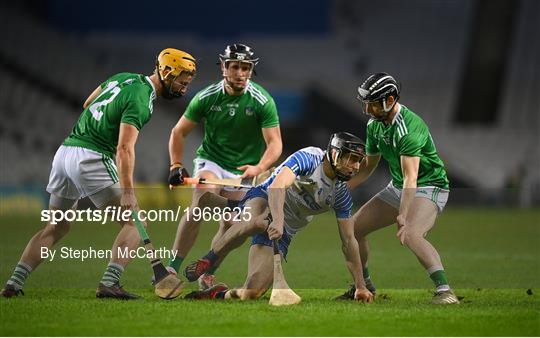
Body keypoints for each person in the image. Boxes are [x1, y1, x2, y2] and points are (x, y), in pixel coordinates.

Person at [1, 48, 197, 299]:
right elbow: (125, 148)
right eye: (182, 82)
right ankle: (109, 282)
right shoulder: (142, 99)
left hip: (65, 153)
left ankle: (13, 284)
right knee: (136, 223)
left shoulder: (123, 77)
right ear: (167, 72)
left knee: (56, 226)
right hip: (92, 157)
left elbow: (87, 103)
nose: (183, 89)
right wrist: (128, 193)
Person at [182, 132, 374, 303]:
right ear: (334, 154)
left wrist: (360, 285)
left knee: (252, 292)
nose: (355, 166)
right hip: (265, 198)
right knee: (258, 221)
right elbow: (277, 186)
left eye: (358, 160)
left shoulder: (341, 194)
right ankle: (208, 259)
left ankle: (217, 294)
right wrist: (278, 219)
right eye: (351, 158)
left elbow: (349, 241)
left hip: (284, 231)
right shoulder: (310, 158)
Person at [166, 43, 282, 290]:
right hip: (213, 161)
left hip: (245, 171)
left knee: (232, 225)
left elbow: (275, 144)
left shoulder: (262, 101)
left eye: (246, 68)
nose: (240, 73)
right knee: (200, 200)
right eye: (235, 67)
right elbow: (178, 131)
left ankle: (206, 272)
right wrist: (176, 164)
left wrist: (259, 166)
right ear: (224, 68)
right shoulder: (207, 97)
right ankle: (170, 269)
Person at [336, 72, 459, 304]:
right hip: (399, 186)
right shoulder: (374, 125)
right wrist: (341, 187)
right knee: (354, 229)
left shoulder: (409, 129)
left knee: (412, 233)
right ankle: (364, 285)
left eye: (372, 104)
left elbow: (411, 178)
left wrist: (403, 215)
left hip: (429, 185)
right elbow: (368, 166)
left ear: (390, 100)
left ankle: (445, 291)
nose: (367, 110)